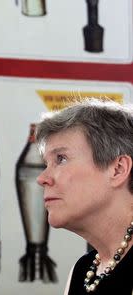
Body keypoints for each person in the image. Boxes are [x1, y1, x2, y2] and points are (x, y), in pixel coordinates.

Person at [35, 98, 133, 294]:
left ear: (118, 169)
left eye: (61, 159)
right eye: (46, 164)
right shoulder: (82, 271)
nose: (42, 178)